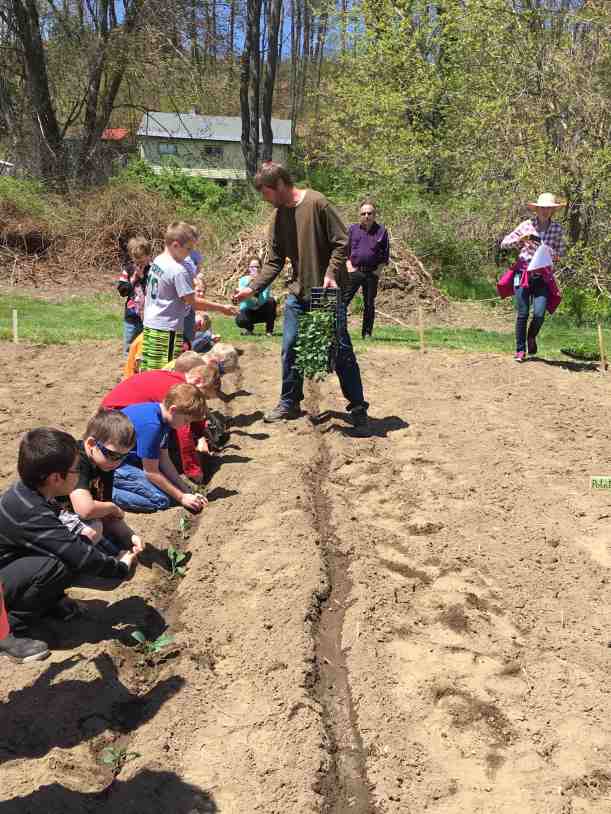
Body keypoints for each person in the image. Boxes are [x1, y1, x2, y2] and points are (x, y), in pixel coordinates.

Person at [232, 162, 370, 434]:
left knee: (340, 350)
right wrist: (253, 288)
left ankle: (357, 406)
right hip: (298, 290)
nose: (265, 199)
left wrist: (331, 272)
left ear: (279, 185)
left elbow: (342, 242)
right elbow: (274, 261)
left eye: (266, 193)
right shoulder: (278, 217)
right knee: (291, 345)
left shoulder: (318, 203)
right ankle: (289, 402)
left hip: (326, 291)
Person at [0, 428, 141, 662]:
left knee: (62, 556)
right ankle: (12, 629)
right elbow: (80, 557)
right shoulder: (30, 509)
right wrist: (120, 567)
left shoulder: (29, 492)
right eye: (76, 470)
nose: (79, 474)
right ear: (56, 478)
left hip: (10, 568)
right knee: (60, 565)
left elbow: (64, 533)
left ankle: (46, 604)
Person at [102, 366, 221, 483]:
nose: (203, 401)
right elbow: (184, 433)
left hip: (124, 413)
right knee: (172, 438)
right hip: (113, 420)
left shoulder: (177, 381)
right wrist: (193, 470)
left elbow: (189, 418)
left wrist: (201, 437)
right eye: (205, 396)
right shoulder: (178, 393)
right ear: (198, 381)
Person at [57, 410, 144, 556]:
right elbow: (86, 510)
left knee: (107, 537)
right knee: (94, 530)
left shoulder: (106, 464)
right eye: (114, 455)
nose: (118, 462)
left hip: (73, 518)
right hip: (48, 517)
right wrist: (113, 508)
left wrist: (130, 536)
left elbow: (105, 513)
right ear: (91, 444)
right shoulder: (77, 460)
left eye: (124, 456)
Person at [112, 383, 208, 513]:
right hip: (112, 465)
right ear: (173, 410)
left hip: (126, 460)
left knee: (170, 492)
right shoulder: (152, 425)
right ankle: (105, 492)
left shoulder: (165, 420)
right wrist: (181, 497)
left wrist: (187, 492)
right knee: (161, 499)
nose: (186, 425)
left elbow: (164, 460)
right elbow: (151, 472)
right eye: (186, 420)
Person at [500, 193, 567, 362]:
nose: (545, 211)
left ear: (553, 211)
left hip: (542, 276)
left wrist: (550, 252)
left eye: (549, 208)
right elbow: (504, 243)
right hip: (522, 273)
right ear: (537, 209)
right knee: (523, 313)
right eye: (542, 208)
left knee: (539, 314)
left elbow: (561, 253)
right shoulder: (526, 225)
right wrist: (520, 240)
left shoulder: (557, 229)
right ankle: (520, 350)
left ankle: (531, 337)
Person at [345, 199, 390, 338]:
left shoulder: (382, 231)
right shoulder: (353, 230)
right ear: (359, 215)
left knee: (369, 304)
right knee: (343, 301)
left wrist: (377, 272)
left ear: (374, 215)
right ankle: (339, 330)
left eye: (369, 213)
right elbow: (345, 251)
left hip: (371, 273)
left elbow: (385, 254)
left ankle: (367, 333)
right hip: (354, 272)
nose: (366, 216)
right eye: (363, 213)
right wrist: (349, 267)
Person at [117, 237, 152, 356]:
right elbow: (122, 291)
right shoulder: (128, 270)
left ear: (148, 256)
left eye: (142, 261)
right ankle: (128, 363)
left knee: (146, 346)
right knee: (129, 345)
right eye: (136, 261)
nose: (139, 264)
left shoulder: (153, 270)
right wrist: (133, 279)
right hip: (131, 316)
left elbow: (155, 289)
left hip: (148, 317)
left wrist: (143, 278)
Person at [235, 256, 277, 336]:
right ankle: (249, 329)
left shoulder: (265, 281)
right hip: (247, 310)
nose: (255, 269)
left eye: (257, 267)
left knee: (271, 301)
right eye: (252, 267)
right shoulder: (243, 280)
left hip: (261, 310)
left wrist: (256, 288)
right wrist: (249, 285)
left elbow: (264, 298)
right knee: (240, 320)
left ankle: (269, 331)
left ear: (261, 268)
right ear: (248, 268)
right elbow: (242, 298)